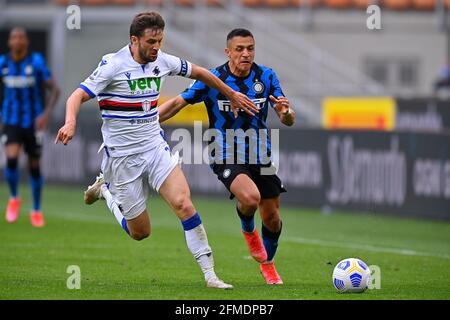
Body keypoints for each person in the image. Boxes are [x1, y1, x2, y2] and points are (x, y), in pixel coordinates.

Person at [55, 12, 258, 289]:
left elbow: (199, 72)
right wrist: (70, 121)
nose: (156, 47)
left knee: (184, 205)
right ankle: (105, 192)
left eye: (160, 41)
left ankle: (210, 275)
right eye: (151, 41)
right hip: (122, 158)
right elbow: (76, 95)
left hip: (154, 147)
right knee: (141, 232)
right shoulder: (112, 65)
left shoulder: (161, 60)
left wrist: (230, 93)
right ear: (134, 40)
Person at [158, 28, 296, 285]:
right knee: (250, 197)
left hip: (260, 153)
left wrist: (286, 113)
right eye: (240, 49)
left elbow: (287, 118)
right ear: (228, 52)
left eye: (250, 48)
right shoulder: (214, 79)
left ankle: (268, 264)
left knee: (273, 218)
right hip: (225, 151)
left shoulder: (266, 76)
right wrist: (147, 121)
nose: (246, 54)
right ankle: (248, 229)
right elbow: (178, 103)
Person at [1, 27, 60, 227]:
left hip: (33, 122)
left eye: (21, 37)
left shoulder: (36, 62)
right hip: (11, 120)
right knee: (11, 158)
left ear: (26, 42)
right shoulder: (3, 63)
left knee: (34, 166)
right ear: (9, 42)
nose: (17, 41)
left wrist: (45, 114)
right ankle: (14, 197)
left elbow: (55, 90)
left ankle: (36, 209)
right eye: (14, 37)